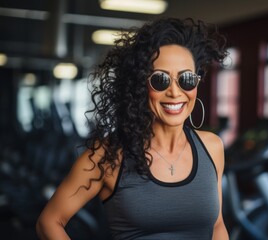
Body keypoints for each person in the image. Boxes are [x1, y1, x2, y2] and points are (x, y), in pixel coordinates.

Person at [36, 17, 229, 240]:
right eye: (160, 80)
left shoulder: (212, 147)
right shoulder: (107, 156)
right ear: (140, 84)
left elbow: (217, 226)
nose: (175, 93)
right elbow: (49, 221)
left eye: (186, 79)